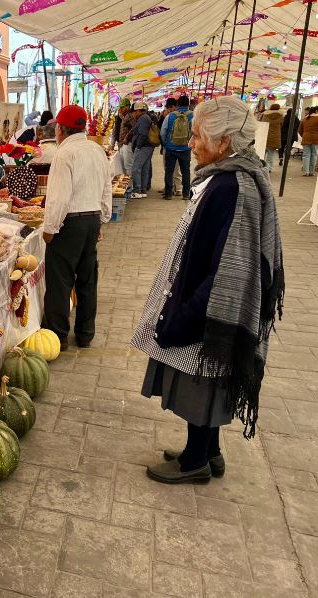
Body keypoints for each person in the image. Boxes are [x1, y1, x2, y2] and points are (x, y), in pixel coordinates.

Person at [131, 96, 284, 484]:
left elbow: (225, 270)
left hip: (213, 307)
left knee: (199, 383)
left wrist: (187, 313)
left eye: (199, 136)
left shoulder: (231, 187)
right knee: (207, 383)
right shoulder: (230, 177)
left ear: (225, 143)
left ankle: (194, 462)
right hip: (206, 300)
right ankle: (209, 451)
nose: (192, 142)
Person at [42, 105, 112, 352]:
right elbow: (106, 189)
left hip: (69, 223)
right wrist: (102, 219)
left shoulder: (64, 153)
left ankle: (58, 337)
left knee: (60, 281)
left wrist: (49, 229)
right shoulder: (97, 150)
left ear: (61, 129)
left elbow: (59, 198)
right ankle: (85, 334)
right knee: (87, 278)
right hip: (91, 219)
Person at [160, 95, 193, 200]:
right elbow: (196, 132)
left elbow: (162, 132)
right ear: (188, 104)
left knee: (169, 171)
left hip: (171, 148)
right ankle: (186, 194)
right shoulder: (193, 116)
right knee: (185, 172)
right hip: (185, 148)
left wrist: (166, 143)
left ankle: (168, 193)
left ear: (178, 104)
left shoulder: (170, 116)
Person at [158, 98, 181, 197]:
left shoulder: (169, 117)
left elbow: (162, 131)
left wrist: (164, 143)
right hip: (182, 146)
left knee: (169, 168)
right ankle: (178, 188)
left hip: (169, 147)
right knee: (177, 168)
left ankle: (171, 187)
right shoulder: (183, 116)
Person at [130, 102, 154, 198]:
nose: (133, 114)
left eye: (134, 112)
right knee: (144, 168)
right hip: (148, 146)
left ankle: (137, 191)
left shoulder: (143, 118)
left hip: (143, 147)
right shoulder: (146, 117)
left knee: (136, 168)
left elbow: (143, 134)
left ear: (138, 111)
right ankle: (143, 191)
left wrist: (138, 146)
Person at [261, 103, 283, 171]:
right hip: (275, 137)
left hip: (265, 136)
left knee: (262, 153)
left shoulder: (265, 115)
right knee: (271, 154)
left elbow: (261, 124)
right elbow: (282, 125)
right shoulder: (281, 116)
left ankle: (261, 166)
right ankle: (269, 168)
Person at [299, 106, 318, 176]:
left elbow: (300, 130)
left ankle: (306, 172)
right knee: (314, 155)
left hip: (306, 138)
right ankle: (311, 172)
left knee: (306, 155)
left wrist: (304, 135)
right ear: (316, 111)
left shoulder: (305, 118)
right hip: (316, 140)